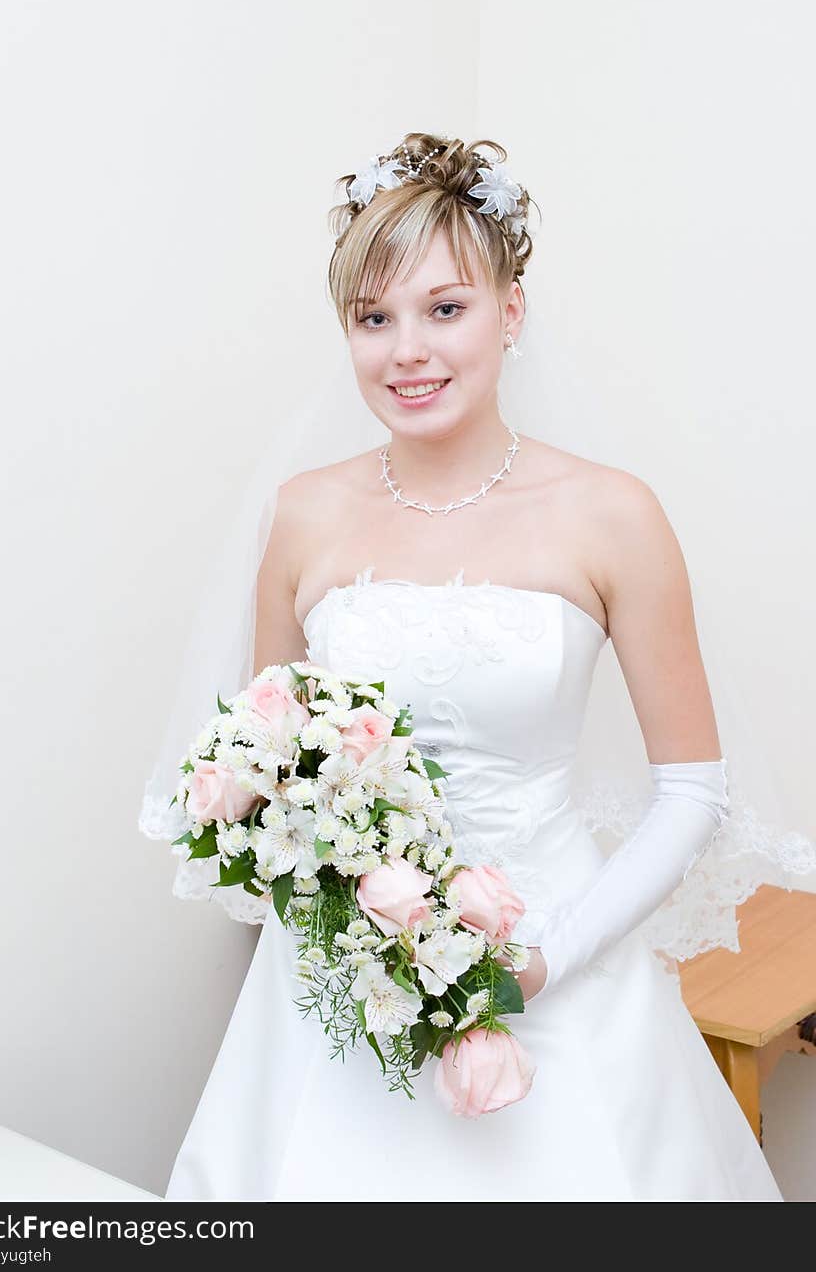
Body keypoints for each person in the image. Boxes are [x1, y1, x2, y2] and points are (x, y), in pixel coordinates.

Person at [143, 133, 815, 1201]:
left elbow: (690, 789)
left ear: (509, 310)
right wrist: (360, 924)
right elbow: (265, 758)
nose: (407, 350)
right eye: (374, 318)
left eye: (444, 308)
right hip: (341, 972)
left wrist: (544, 958)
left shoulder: (611, 514)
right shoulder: (305, 512)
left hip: (552, 953)